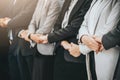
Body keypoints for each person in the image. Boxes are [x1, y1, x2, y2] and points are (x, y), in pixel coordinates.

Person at [33, 0, 92, 80]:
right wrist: (62, 42)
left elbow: (74, 27)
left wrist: (48, 38)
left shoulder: (87, 1)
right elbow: (57, 24)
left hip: (74, 54)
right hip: (60, 51)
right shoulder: (67, 1)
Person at [77, 0, 120, 80]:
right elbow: (84, 24)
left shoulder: (117, 2)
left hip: (106, 54)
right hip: (91, 54)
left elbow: (108, 30)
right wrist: (83, 37)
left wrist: (83, 47)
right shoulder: (94, 1)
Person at [20, 0, 60, 80]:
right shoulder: (40, 1)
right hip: (36, 48)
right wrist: (31, 35)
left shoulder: (55, 2)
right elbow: (32, 22)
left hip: (47, 49)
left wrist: (32, 36)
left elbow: (47, 27)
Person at [0, 0, 38, 80]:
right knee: (14, 74)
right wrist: (3, 20)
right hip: (12, 43)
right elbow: (7, 14)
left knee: (24, 75)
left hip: (24, 44)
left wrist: (8, 22)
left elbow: (26, 16)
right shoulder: (11, 2)